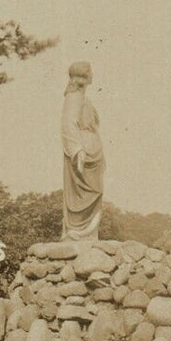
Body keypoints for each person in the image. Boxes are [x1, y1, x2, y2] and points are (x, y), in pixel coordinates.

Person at [59, 61, 105, 240]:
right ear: (84, 75)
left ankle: (88, 232)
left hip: (92, 152)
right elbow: (67, 124)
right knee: (85, 193)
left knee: (96, 191)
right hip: (83, 153)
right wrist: (77, 150)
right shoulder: (74, 97)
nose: (93, 74)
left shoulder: (84, 99)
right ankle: (79, 230)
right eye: (90, 71)